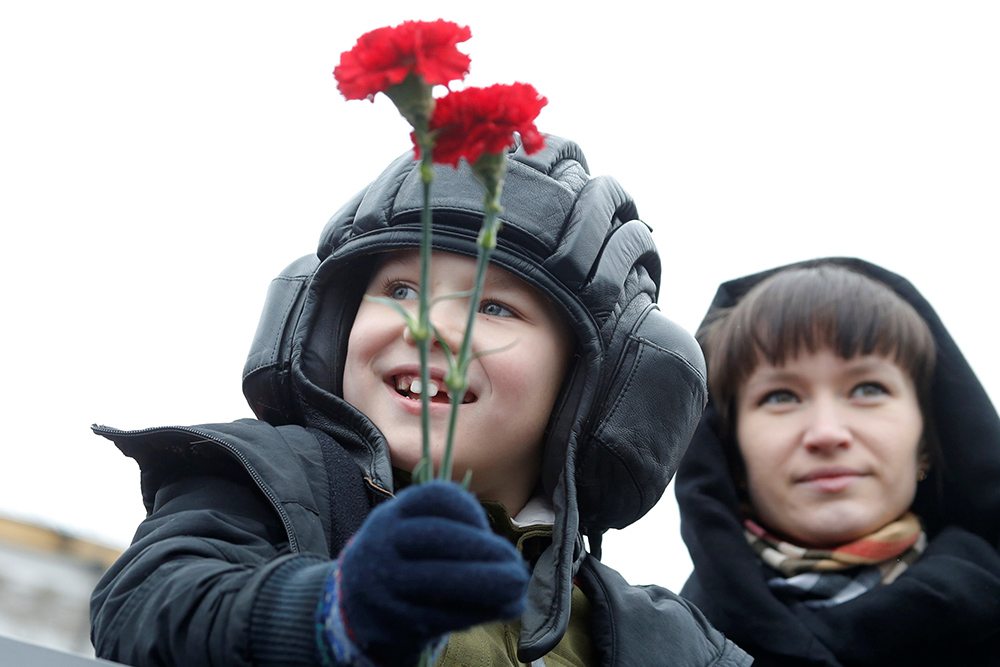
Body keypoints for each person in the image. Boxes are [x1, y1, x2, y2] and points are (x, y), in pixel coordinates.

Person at [90, 135, 752, 667]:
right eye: (402, 290)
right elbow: (146, 599)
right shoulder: (270, 481)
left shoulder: (653, 638)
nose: (428, 326)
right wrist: (335, 615)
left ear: (591, 386)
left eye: (494, 307)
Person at [675, 258, 1000, 666]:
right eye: (780, 397)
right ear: (730, 451)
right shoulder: (656, 646)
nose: (826, 433)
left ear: (925, 443)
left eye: (868, 389)